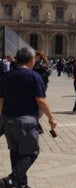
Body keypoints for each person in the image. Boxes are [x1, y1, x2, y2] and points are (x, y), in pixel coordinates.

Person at [0, 47, 58, 187]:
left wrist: (4, 114)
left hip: (8, 119)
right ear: (32, 60)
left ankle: (21, 184)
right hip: (25, 120)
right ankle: (11, 180)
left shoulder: (7, 76)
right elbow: (41, 99)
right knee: (32, 152)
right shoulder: (33, 76)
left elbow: (1, 99)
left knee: (16, 152)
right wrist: (51, 117)